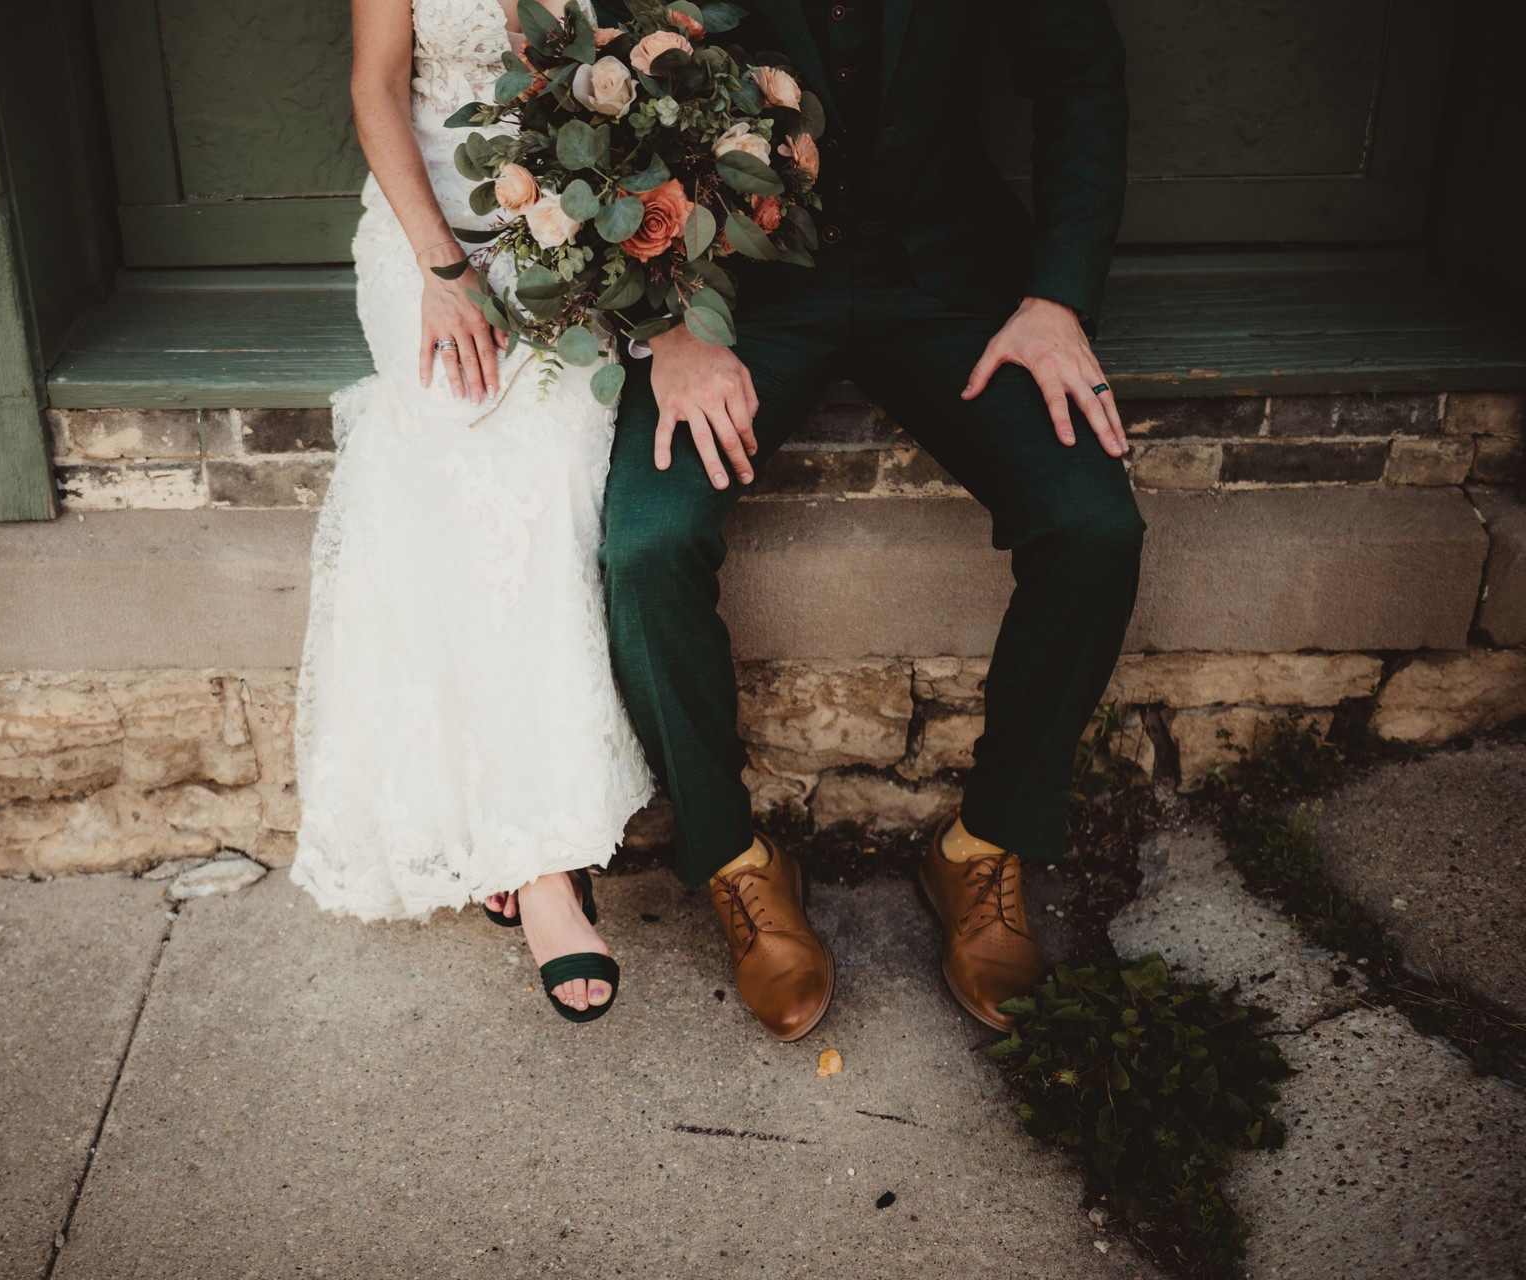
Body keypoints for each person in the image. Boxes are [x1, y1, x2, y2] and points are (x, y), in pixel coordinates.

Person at [595, 0, 1141, 1041]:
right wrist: (665, 323)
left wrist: (1059, 297)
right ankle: (737, 862)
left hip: (948, 274)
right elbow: (606, 89)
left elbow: (1079, 75)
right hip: (737, 294)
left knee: (1093, 525)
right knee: (647, 542)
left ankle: (982, 848)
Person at [290, 0, 653, 1022]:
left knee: (560, 450)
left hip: (569, 232)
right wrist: (444, 271)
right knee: (455, 435)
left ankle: (517, 826)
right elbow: (375, 89)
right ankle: (542, 866)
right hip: (428, 231)